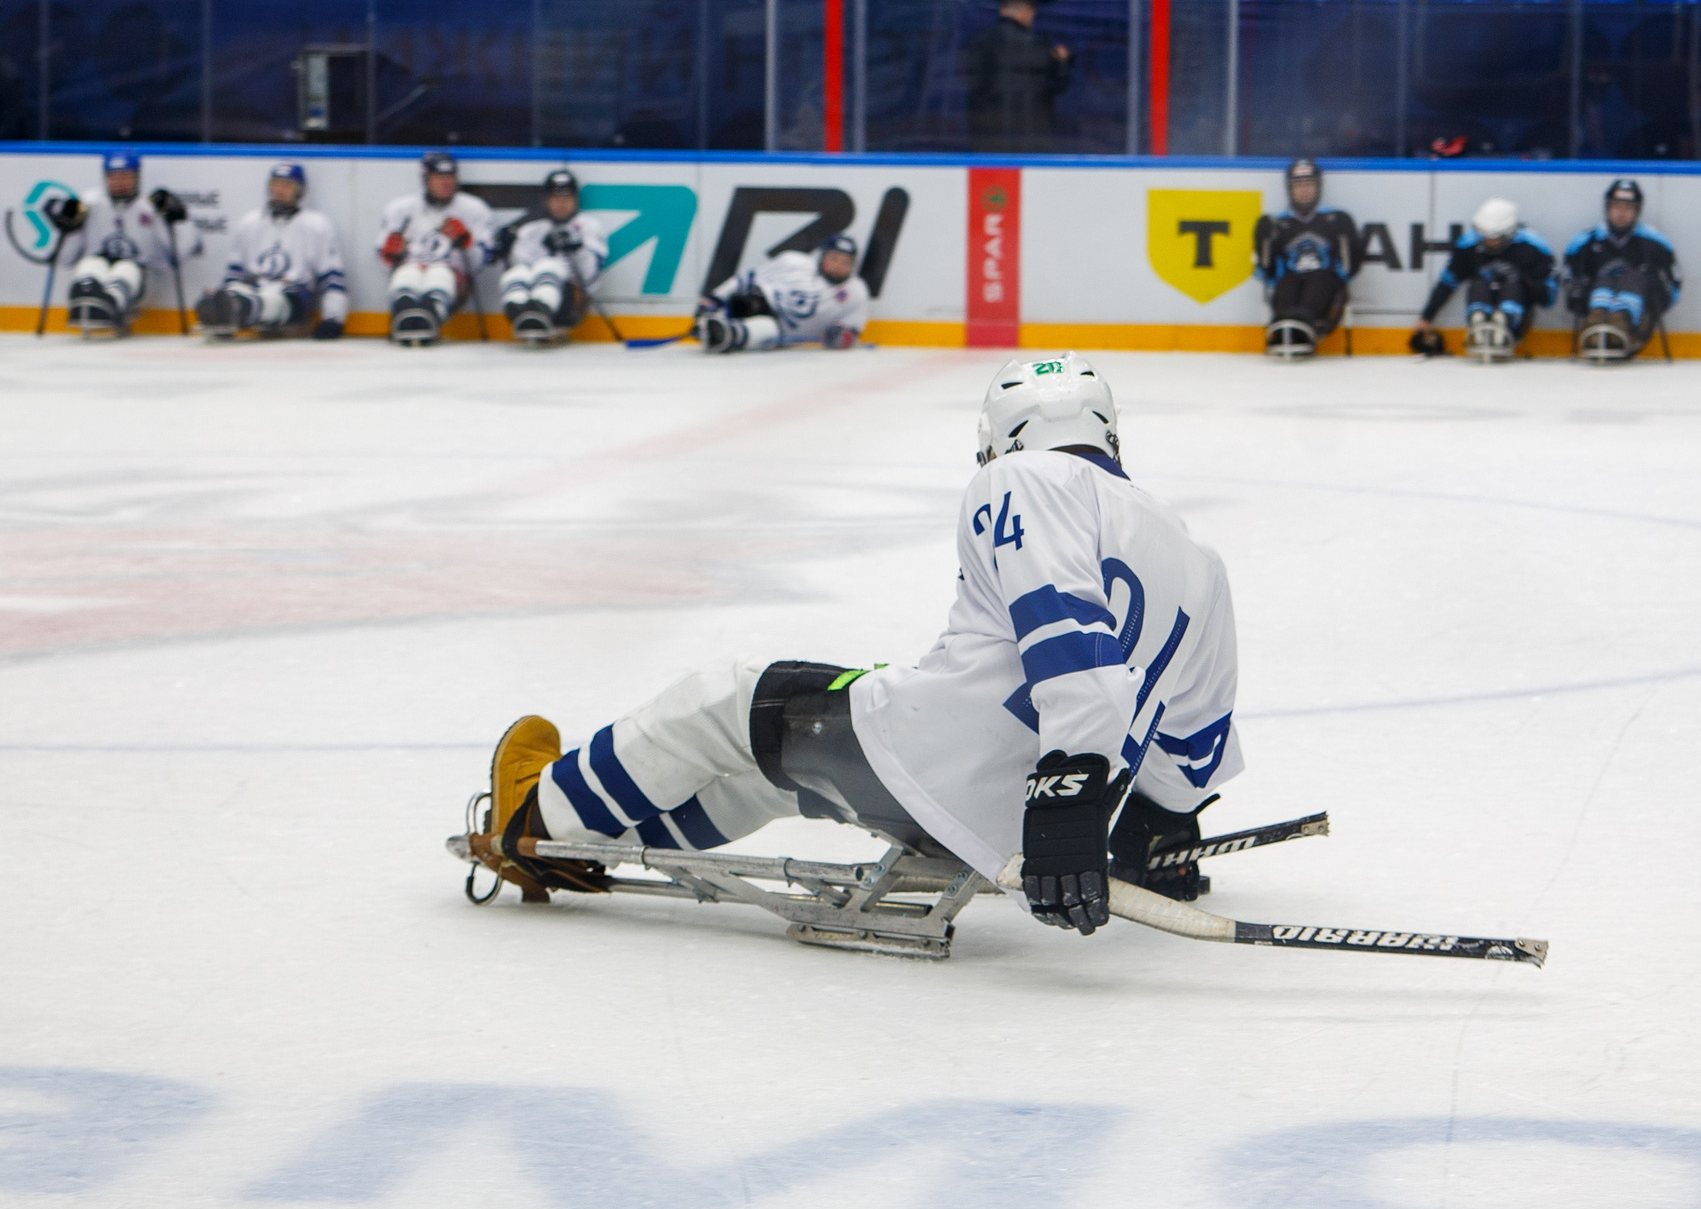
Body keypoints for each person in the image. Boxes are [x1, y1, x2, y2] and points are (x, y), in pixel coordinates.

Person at [460, 352, 1245, 940]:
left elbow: (1064, 628)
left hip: (970, 775)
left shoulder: (1024, 479)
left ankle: (541, 815)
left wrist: (1071, 791)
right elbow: (1196, 735)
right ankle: (601, 841)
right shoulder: (1199, 562)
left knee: (732, 701)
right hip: (1014, 828)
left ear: (1001, 437)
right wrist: (1156, 828)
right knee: (779, 776)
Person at [43, 151, 202, 339]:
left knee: (125, 269)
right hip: (100, 265)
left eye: (125, 176)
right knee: (91, 265)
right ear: (105, 177)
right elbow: (65, 259)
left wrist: (178, 221)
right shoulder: (89, 203)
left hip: (142, 277)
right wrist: (70, 229)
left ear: (137, 177)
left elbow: (176, 256)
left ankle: (109, 303)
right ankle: (86, 297)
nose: (119, 181)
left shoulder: (150, 207)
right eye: (113, 176)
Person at [197, 162, 348, 341]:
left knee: (272, 301)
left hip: (294, 295)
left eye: (287, 185)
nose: (279, 190)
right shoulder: (250, 223)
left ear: (300, 191)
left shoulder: (317, 225)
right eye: (275, 184)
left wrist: (333, 318)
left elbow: (331, 277)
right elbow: (234, 274)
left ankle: (237, 310)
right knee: (230, 294)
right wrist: (229, 291)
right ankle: (228, 308)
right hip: (256, 289)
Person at [1410, 199, 1558, 362]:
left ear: (1508, 234)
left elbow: (1547, 299)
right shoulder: (1468, 244)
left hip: (1520, 310)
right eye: (1482, 235)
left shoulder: (1533, 247)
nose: (1485, 241)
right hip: (1482, 294)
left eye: (1492, 238)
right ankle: (1478, 320)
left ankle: (1504, 323)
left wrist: (1523, 279)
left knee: (1512, 286)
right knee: (1479, 283)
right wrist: (1426, 317)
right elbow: (1447, 283)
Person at [377, 151, 494, 348]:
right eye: (439, 177)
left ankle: (428, 318)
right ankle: (405, 315)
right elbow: (384, 261)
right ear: (425, 179)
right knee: (407, 273)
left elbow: (479, 263)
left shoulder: (474, 209)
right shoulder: (400, 209)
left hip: (454, 277)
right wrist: (391, 253)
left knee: (439, 274)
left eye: (450, 177)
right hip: (411, 266)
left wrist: (465, 241)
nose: (446, 182)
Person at [1560, 178, 1682, 362]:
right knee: (1603, 280)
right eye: (1616, 206)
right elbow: (1568, 276)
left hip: (1639, 313)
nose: (1621, 212)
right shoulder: (1586, 240)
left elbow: (1674, 282)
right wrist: (1575, 291)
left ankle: (1622, 322)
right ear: (1607, 208)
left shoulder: (1656, 242)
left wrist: (1658, 296)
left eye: (1628, 207)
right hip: (1594, 300)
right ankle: (1597, 319)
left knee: (1636, 278)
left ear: (1637, 210)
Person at [1252, 157, 1363, 358]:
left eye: (1309, 184)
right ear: (1290, 189)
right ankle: (1285, 322)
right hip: (1291, 279)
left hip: (1325, 283)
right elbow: (1267, 273)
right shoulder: (1278, 223)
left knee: (1319, 279)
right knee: (1288, 282)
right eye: (1299, 185)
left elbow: (1350, 269)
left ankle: (1303, 322)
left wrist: (1350, 247)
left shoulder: (1336, 219)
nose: (1304, 190)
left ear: (1318, 187)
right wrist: (1264, 244)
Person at [692, 231, 870, 351]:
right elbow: (745, 279)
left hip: (779, 330)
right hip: (756, 302)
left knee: (767, 328)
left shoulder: (856, 292)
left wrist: (841, 337)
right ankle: (711, 323)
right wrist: (713, 300)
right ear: (823, 255)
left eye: (846, 261)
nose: (839, 265)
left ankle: (726, 334)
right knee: (747, 303)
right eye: (834, 258)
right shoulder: (794, 262)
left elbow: (851, 330)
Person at [494, 169, 608, 345]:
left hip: (571, 302)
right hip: (534, 291)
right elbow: (521, 265)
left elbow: (591, 276)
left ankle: (538, 313)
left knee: (549, 266)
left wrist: (576, 249)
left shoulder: (588, 227)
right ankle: (523, 315)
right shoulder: (531, 229)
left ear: (575, 200)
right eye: (556, 199)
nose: (561, 204)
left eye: (566, 199)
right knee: (515, 274)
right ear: (546, 200)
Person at [968, 0, 1074, 150]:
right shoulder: (1037, 46)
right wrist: (1062, 62)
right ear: (1028, 12)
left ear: (1002, 10)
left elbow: (971, 82)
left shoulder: (979, 43)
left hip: (987, 137)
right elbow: (1058, 84)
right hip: (1030, 139)